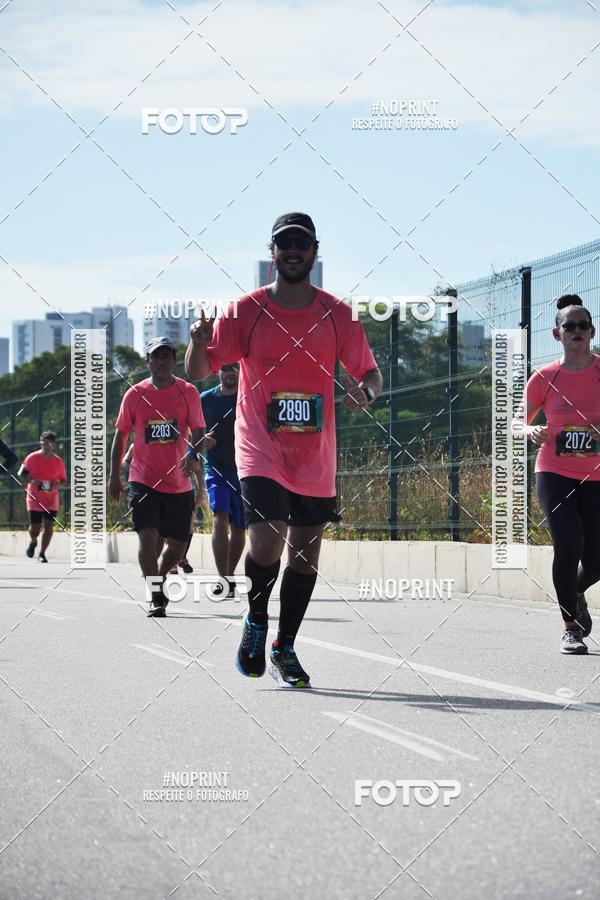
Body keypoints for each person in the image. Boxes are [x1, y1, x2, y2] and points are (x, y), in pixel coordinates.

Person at [185, 212, 382, 686]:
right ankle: (256, 620)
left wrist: (367, 392)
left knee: (305, 557)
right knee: (268, 538)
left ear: (314, 251)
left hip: (315, 456)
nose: (293, 250)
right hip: (260, 447)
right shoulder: (245, 311)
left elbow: (370, 373)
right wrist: (195, 342)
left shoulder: (339, 314)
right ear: (271, 252)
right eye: (284, 243)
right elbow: (198, 370)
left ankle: (285, 647)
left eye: (302, 243)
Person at [522, 294, 599, 654]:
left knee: (597, 557)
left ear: (592, 331)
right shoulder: (545, 377)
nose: (577, 331)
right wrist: (529, 431)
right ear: (557, 334)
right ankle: (570, 627)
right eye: (570, 326)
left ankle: (576, 591)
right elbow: (513, 421)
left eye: (583, 325)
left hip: (596, 474)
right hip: (554, 469)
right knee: (567, 545)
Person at [108, 337, 205, 616]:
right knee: (147, 537)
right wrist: (114, 476)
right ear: (147, 362)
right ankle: (154, 593)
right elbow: (120, 437)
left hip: (178, 482)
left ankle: (160, 577)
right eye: (156, 357)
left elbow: (198, 430)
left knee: (176, 547)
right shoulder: (135, 394)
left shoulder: (188, 392)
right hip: (143, 479)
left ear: (174, 361)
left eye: (166, 356)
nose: (161, 361)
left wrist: (194, 454)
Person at [201, 363, 246, 598]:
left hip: (244, 469)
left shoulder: (247, 397)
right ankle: (224, 578)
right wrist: (201, 440)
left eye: (234, 368)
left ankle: (230, 575)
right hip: (215, 470)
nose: (230, 373)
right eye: (225, 368)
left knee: (239, 528)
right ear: (217, 372)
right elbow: (193, 430)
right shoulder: (206, 398)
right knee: (219, 518)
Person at [19, 431, 67, 563]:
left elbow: (63, 480)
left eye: (48, 443)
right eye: (43, 443)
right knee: (34, 528)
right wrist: (31, 481)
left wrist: (56, 486)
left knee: (49, 524)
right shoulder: (31, 458)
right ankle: (33, 541)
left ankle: (42, 553)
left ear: (54, 445)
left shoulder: (58, 462)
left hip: (51, 499)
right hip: (34, 497)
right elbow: (21, 475)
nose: (45, 445)